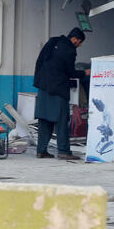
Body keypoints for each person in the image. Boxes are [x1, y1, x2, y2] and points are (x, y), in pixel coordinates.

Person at [33, 27, 89, 161]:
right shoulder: (69, 50)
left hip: (43, 87)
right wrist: (85, 73)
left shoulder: (52, 42)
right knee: (62, 120)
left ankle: (41, 151)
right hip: (58, 89)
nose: (80, 45)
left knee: (44, 120)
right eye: (80, 42)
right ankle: (64, 151)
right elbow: (70, 72)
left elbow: (39, 62)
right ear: (74, 39)